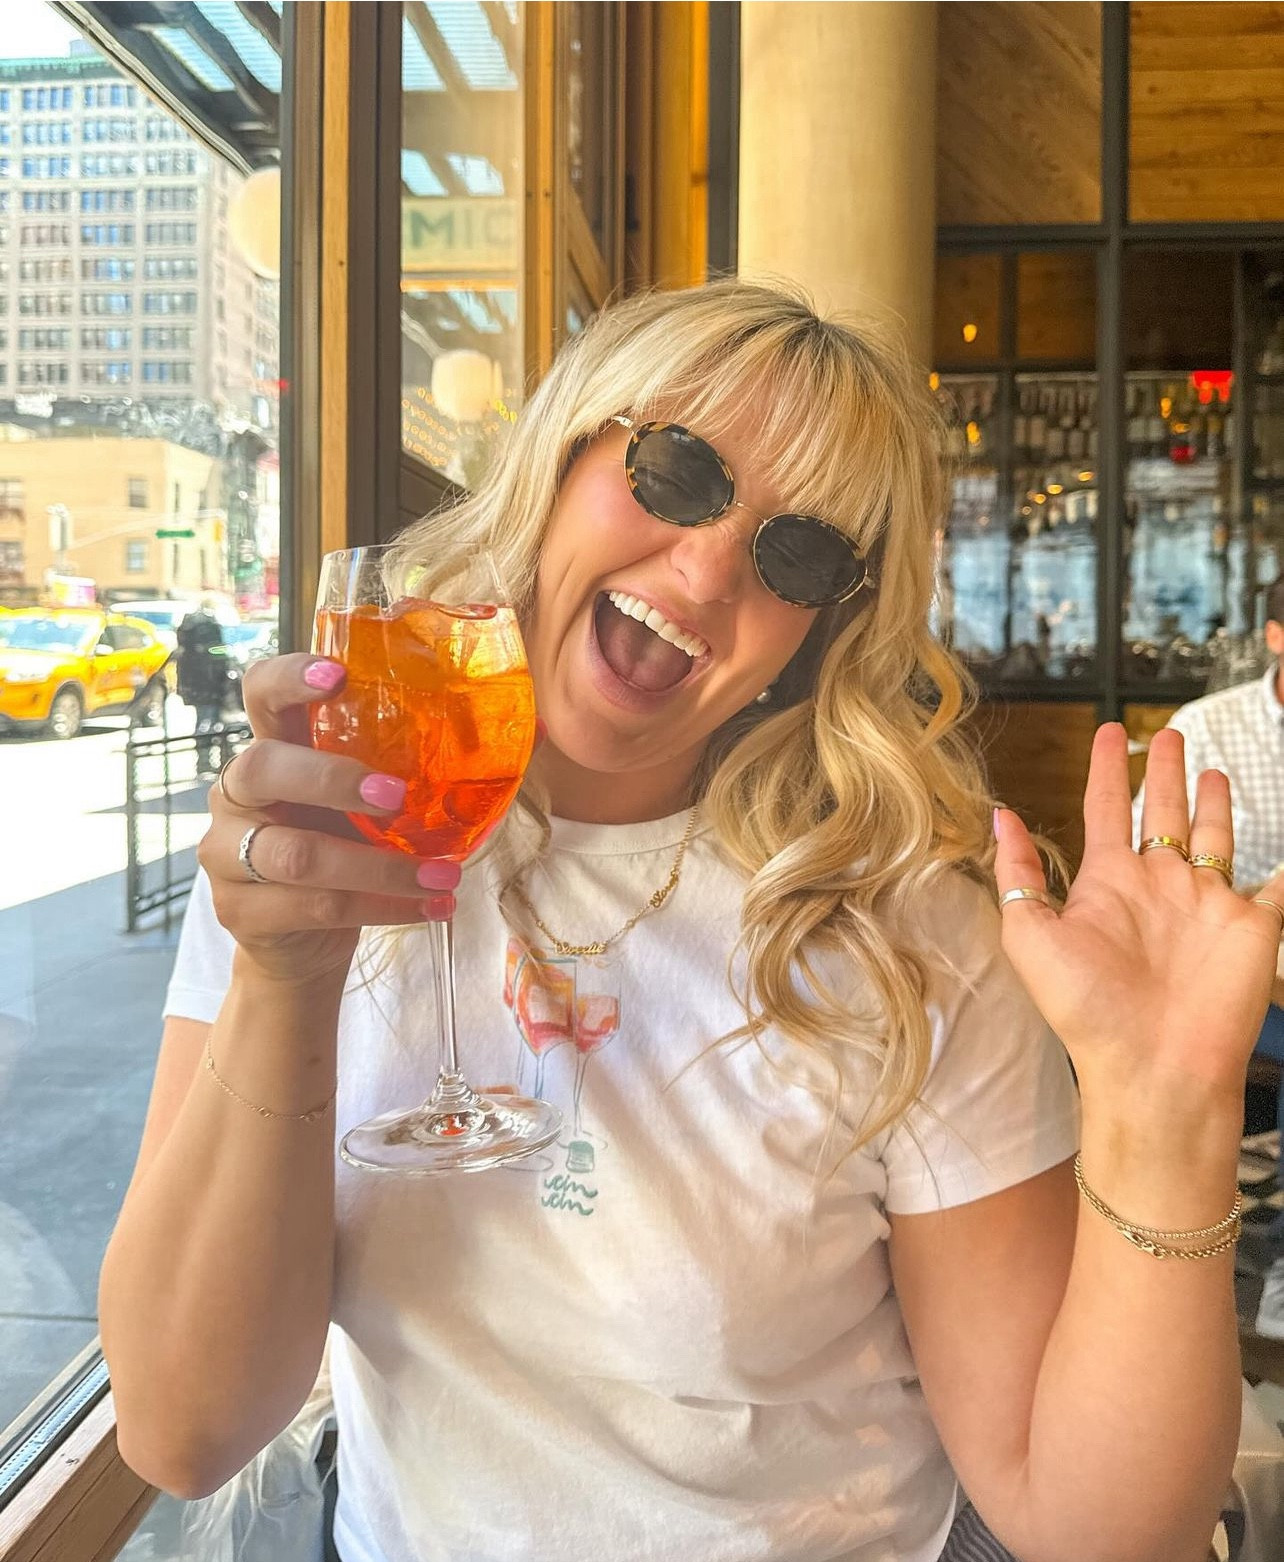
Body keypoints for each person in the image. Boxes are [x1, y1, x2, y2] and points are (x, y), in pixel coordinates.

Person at [100, 281, 1284, 1562]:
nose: (711, 565)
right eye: (675, 471)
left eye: (801, 553)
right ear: (559, 460)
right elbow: (183, 1428)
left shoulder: (909, 937)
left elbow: (1089, 1522)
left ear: (813, 632)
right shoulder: (326, 824)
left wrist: (1166, 1114)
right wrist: (285, 975)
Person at [1131, 577, 1284, 1340]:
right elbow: (1153, 884)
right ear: (1277, 637)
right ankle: (1266, 1273)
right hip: (1235, 980)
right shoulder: (1209, 732)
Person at [176, 594, 228, 775]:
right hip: (212, 684)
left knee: (202, 720)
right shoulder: (210, 627)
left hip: (195, 686)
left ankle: (203, 760)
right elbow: (220, 653)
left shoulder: (187, 630)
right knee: (212, 722)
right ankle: (211, 760)